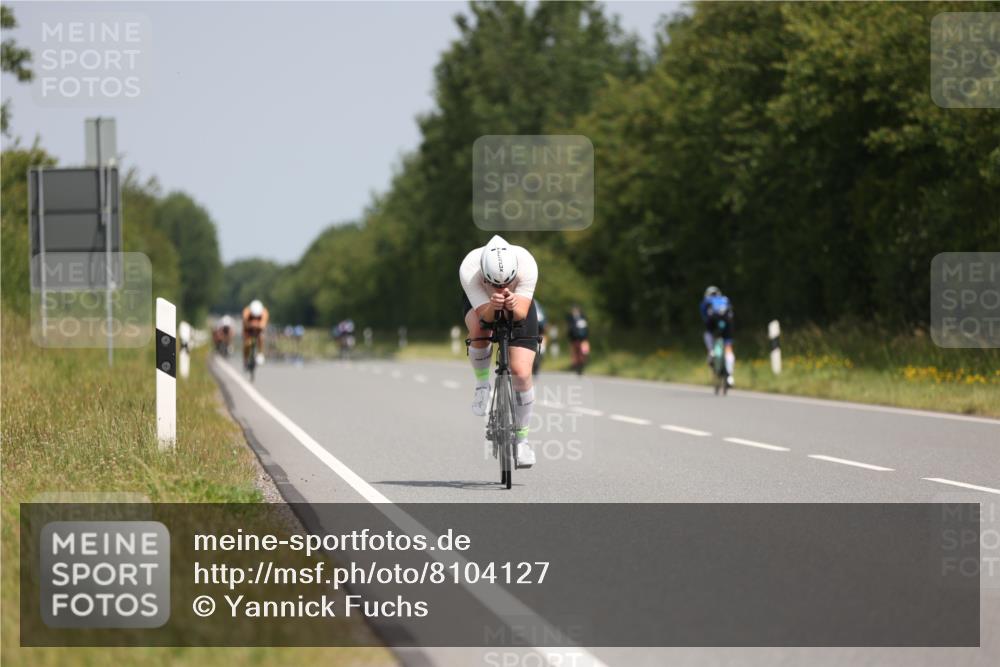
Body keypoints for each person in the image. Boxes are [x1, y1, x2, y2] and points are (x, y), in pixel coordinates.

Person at [460, 234, 539, 469]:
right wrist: (493, 305)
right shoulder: (469, 269)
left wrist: (512, 304)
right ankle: (482, 384)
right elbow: (485, 317)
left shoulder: (527, 264)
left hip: (520, 303)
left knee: (521, 373)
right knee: (478, 331)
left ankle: (522, 441)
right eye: (495, 283)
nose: (502, 288)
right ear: (484, 275)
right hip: (481, 302)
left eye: (506, 283)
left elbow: (522, 314)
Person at [700, 286, 735, 387]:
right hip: (727, 322)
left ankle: (711, 351)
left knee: (708, 333)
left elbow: (704, 316)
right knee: (728, 347)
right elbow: (731, 313)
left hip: (713, 322)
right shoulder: (725, 299)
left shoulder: (706, 301)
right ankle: (730, 377)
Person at [242, 299, 269, 370]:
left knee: (261, 338)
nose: (255, 317)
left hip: (258, 331)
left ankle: (260, 353)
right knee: (247, 344)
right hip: (248, 330)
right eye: (254, 316)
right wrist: (252, 325)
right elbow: (245, 323)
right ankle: (245, 360)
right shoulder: (246, 311)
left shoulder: (264, 312)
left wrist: (255, 325)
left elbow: (263, 324)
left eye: (257, 316)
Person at [566, 305, 590, 375]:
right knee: (580, 353)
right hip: (582, 339)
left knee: (577, 353)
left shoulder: (571, 319)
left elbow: (569, 330)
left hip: (576, 339)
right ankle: (579, 365)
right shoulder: (583, 318)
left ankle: (578, 365)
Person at [532, 301, 547, 375]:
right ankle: (535, 366)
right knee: (540, 351)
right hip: (538, 334)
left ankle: (536, 366)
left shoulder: (537, 307)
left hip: (538, 333)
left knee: (540, 351)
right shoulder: (540, 307)